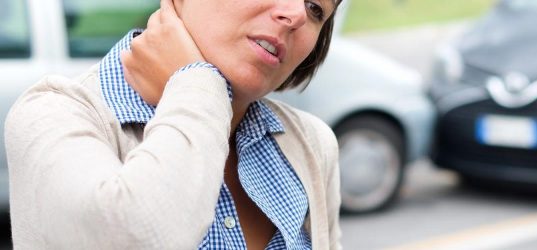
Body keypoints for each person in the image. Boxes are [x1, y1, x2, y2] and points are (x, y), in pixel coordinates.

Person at [4, 0, 342, 248]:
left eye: (316, 9)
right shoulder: (52, 112)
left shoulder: (312, 143)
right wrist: (197, 82)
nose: (297, 14)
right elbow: (134, 233)